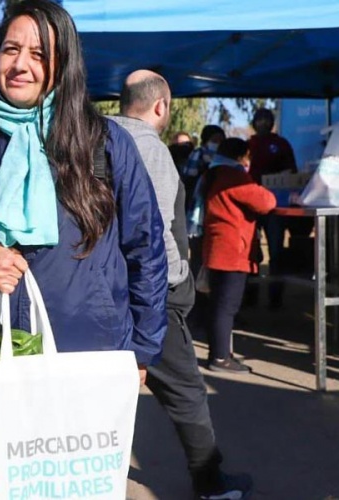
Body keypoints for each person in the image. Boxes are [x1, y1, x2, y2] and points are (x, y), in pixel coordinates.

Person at [0, 1, 167, 387]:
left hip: (88, 357)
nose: (20, 65)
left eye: (39, 54)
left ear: (63, 65)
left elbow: (145, 249)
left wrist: (142, 350)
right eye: (10, 49)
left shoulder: (104, 143)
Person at [113, 70, 253, 500]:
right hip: (149, 297)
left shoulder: (97, 140)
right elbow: (150, 234)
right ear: (161, 107)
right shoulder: (149, 150)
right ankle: (210, 484)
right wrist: (177, 283)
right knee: (188, 393)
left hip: (108, 292)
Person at [202, 139, 276, 373]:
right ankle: (221, 358)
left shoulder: (214, 172)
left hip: (217, 247)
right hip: (232, 250)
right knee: (227, 307)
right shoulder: (233, 176)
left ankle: (221, 352)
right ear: (242, 155)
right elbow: (266, 202)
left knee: (218, 305)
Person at [248, 107, 298, 309]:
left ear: (271, 123)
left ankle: (275, 298)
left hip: (273, 207)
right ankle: (249, 297)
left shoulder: (280, 144)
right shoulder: (248, 144)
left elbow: (291, 171)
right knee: (250, 252)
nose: (261, 123)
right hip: (249, 206)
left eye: (265, 120)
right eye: (258, 120)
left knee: (276, 253)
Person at [186, 124, 226, 277]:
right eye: (215, 139)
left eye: (221, 140)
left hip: (216, 210)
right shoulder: (198, 154)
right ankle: (198, 291)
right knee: (198, 253)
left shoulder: (225, 158)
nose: (218, 143)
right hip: (198, 210)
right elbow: (189, 177)